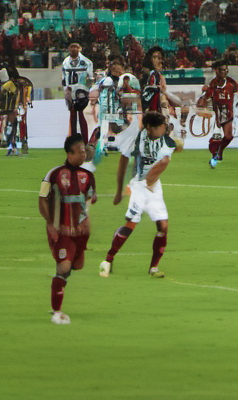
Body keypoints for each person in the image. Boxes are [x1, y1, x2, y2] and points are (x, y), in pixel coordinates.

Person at [99, 111, 178, 279]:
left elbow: (162, 165)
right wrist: (119, 191)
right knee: (132, 223)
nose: (163, 129)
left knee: (163, 227)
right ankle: (107, 260)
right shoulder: (135, 139)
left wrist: (152, 180)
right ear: (149, 128)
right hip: (138, 186)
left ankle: (153, 268)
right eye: (160, 127)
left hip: (154, 188)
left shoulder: (168, 143)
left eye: (164, 126)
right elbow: (123, 163)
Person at [39, 133, 96, 324]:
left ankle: (58, 287)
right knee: (63, 267)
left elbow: (89, 200)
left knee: (74, 266)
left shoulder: (88, 176)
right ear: (70, 153)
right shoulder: (54, 174)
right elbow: (42, 199)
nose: (84, 155)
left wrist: (86, 223)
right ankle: (57, 312)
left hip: (80, 232)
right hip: (61, 230)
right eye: (80, 152)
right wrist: (50, 223)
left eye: (84, 151)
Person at [196, 59, 238, 168]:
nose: (224, 72)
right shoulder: (213, 84)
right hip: (216, 115)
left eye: (226, 70)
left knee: (228, 137)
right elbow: (205, 98)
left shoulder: (231, 83)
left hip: (228, 113)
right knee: (215, 139)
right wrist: (202, 102)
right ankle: (215, 156)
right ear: (216, 70)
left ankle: (219, 151)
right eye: (222, 70)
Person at [86, 58, 137, 170]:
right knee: (105, 129)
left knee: (121, 128)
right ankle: (91, 149)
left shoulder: (125, 81)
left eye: (118, 66)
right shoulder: (106, 80)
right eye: (114, 66)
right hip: (107, 109)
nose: (116, 68)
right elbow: (94, 90)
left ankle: (127, 148)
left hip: (119, 111)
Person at [61, 42, 93, 138]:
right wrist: (66, 90)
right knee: (72, 113)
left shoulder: (87, 62)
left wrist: (88, 90)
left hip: (82, 90)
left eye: (76, 47)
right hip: (70, 90)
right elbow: (63, 78)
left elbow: (90, 78)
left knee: (82, 114)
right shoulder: (65, 62)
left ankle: (85, 139)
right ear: (68, 49)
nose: (74, 49)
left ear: (80, 48)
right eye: (72, 47)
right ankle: (73, 138)